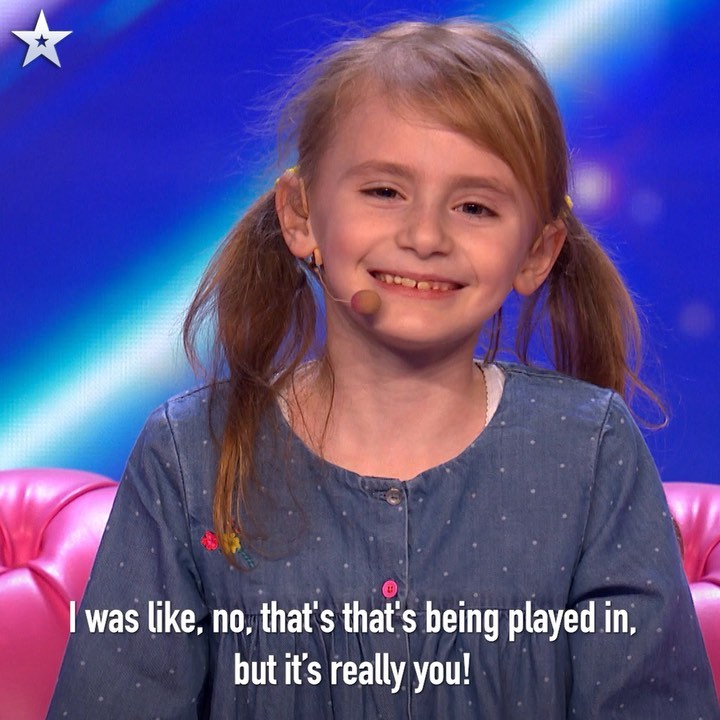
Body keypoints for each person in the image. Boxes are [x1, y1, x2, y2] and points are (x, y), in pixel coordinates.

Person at [47, 19, 718, 720]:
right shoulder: (189, 458)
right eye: (384, 192)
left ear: (536, 252)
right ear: (301, 215)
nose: (424, 237)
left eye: (475, 207)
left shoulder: (592, 453)